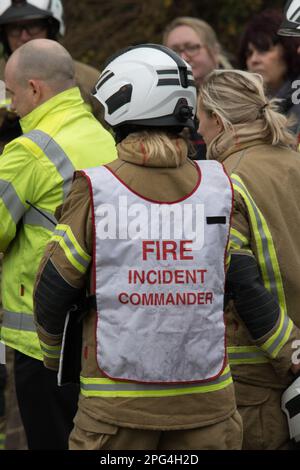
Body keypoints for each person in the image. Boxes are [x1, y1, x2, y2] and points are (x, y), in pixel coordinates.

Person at [34, 44, 243, 451]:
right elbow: (247, 282)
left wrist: (53, 358)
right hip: (209, 407)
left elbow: (53, 290)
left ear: (121, 106)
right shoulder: (222, 187)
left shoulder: (96, 190)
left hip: (117, 412)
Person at [0, 38, 116, 450]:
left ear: (35, 89)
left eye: (12, 94)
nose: (10, 106)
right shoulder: (107, 137)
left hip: (42, 340)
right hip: (103, 334)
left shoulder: (29, 151)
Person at [197, 68, 300, 449]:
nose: (198, 132)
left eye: (200, 120)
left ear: (219, 121)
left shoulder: (225, 181)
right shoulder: (293, 161)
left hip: (261, 374)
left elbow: (240, 279)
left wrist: (290, 351)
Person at [0, 0, 104, 152]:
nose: (24, 36)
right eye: (14, 28)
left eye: (33, 25)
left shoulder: (90, 80)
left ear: (52, 28)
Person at [163, 16, 232, 160]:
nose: (183, 58)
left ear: (214, 50)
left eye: (191, 48)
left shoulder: (239, 96)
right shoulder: (160, 107)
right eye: (174, 51)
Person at [239, 9, 300, 142]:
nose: (254, 60)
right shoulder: (245, 108)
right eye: (249, 53)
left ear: (288, 50)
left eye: (263, 50)